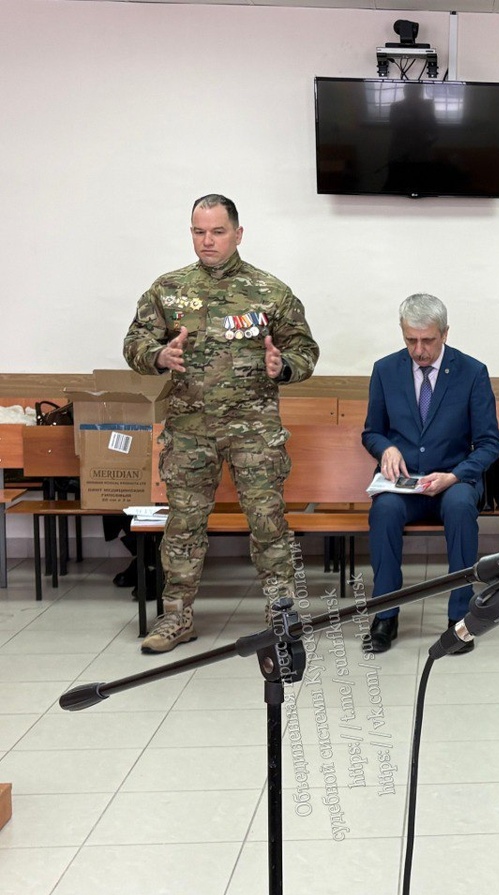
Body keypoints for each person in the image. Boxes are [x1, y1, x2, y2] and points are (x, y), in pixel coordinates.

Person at [123, 194, 319, 653]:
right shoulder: (168, 290)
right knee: (183, 525)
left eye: (217, 231)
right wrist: (158, 355)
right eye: (198, 231)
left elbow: (305, 350)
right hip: (190, 431)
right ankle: (176, 616)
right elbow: (134, 342)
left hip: (255, 431)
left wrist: (283, 366)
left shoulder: (270, 292)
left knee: (268, 523)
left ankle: (281, 612)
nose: (207, 240)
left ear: (238, 234)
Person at [362, 293, 499, 654]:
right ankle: (385, 616)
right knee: (384, 510)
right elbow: (372, 432)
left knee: (460, 507)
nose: (419, 350)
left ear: (445, 333)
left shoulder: (472, 372)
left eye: (428, 340)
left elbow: (489, 443)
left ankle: (461, 619)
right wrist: (385, 448)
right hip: (404, 483)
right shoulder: (385, 370)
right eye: (411, 340)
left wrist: (455, 475)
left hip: (453, 480)